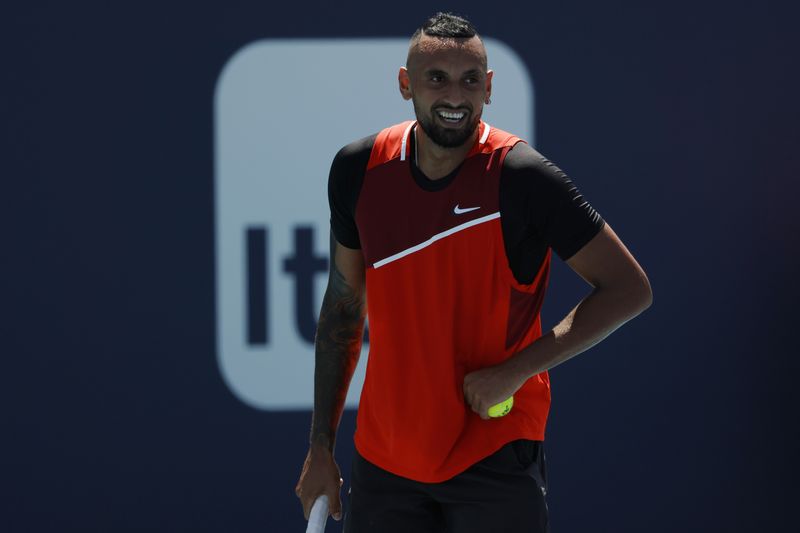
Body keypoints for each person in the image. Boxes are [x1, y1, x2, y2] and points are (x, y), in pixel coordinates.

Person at [296, 12, 652, 533]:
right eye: (436, 78)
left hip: (495, 456)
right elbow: (344, 305)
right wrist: (320, 448)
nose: (454, 96)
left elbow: (629, 288)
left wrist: (516, 370)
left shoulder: (523, 177)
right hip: (385, 459)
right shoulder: (357, 169)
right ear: (405, 84)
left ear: (488, 88)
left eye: (469, 81)